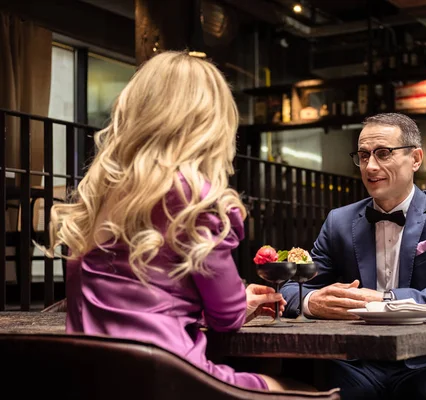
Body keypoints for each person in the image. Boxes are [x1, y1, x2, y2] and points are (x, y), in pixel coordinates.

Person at [46, 51, 310, 392]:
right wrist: (238, 302)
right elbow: (226, 319)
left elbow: (137, 305)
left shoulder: (99, 193)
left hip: (94, 381)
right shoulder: (196, 199)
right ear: (210, 123)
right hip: (170, 380)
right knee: (294, 388)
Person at [281, 113, 426, 400]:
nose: (371, 166)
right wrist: (311, 302)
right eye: (363, 155)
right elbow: (290, 290)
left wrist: (388, 302)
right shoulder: (339, 222)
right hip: (356, 363)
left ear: (415, 158)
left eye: (383, 153)